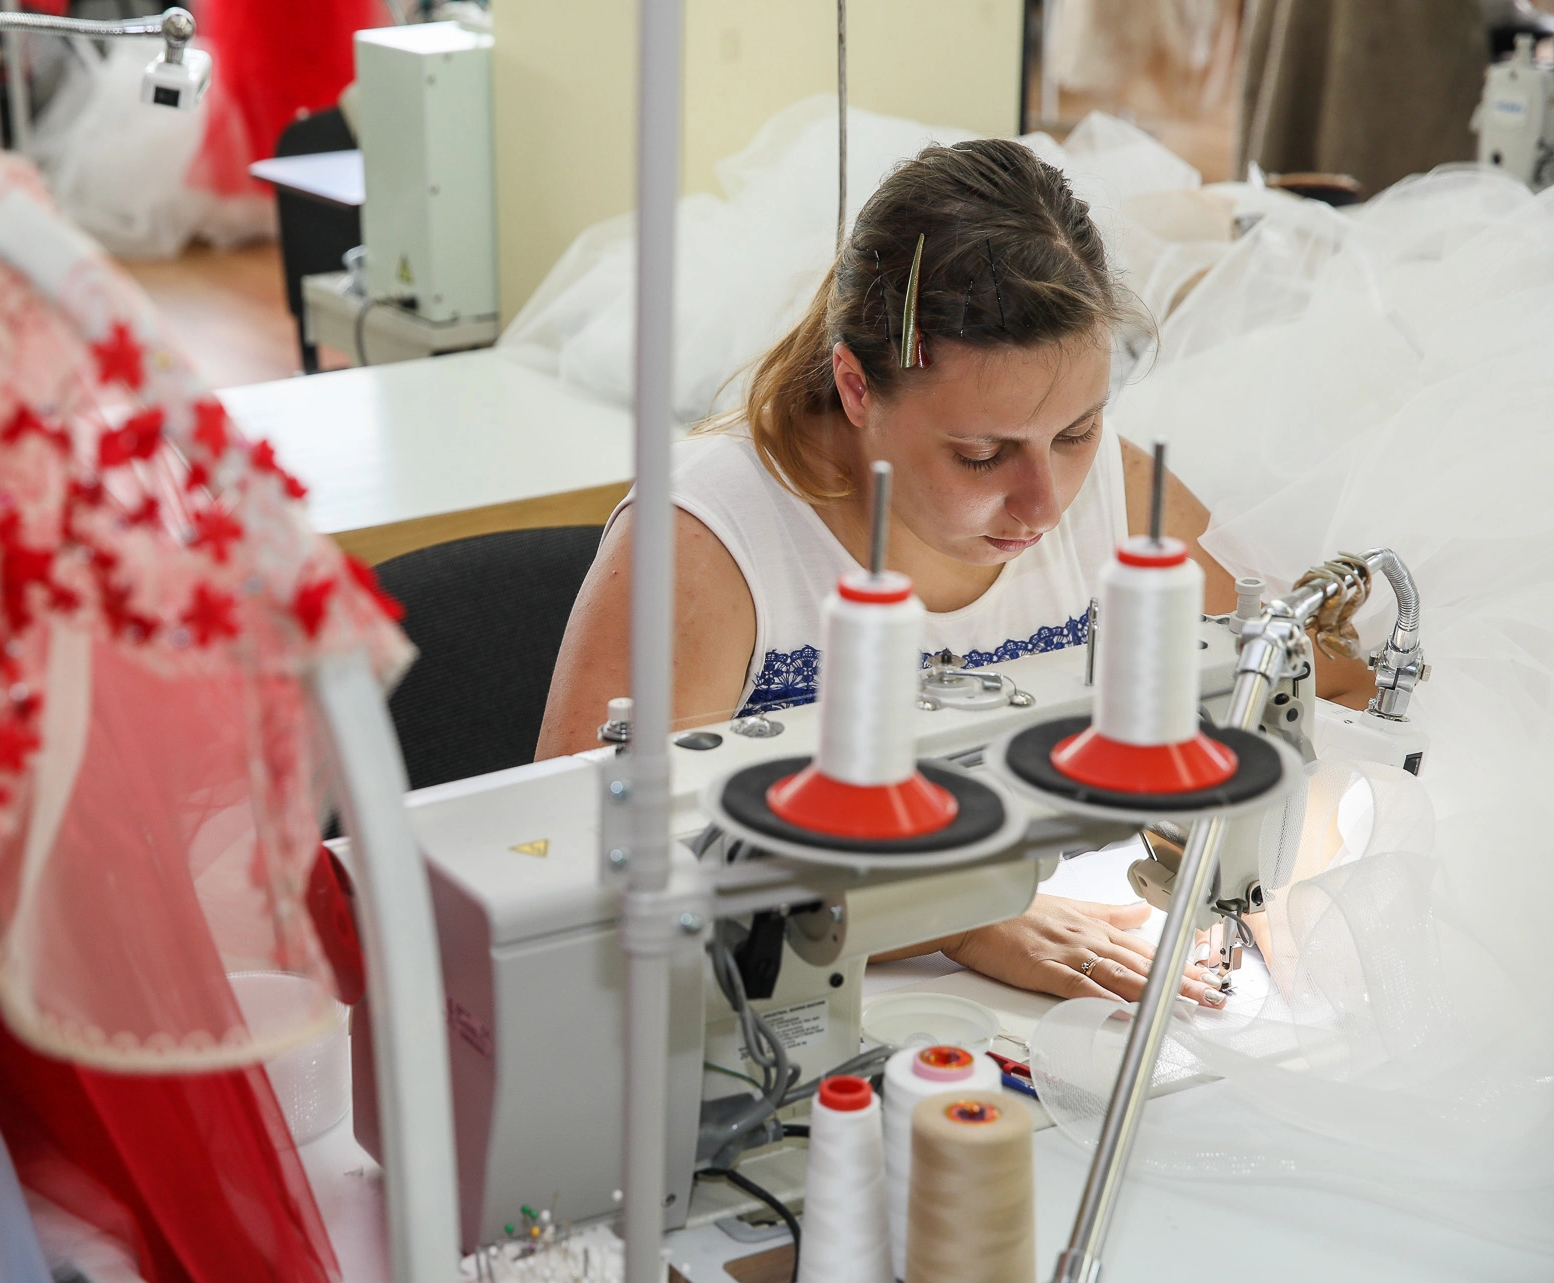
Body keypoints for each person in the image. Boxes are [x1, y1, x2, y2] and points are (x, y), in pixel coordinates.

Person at [537, 138, 1370, 1008]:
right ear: (856, 389)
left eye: (1078, 431)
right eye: (981, 454)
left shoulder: (1116, 494)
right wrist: (962, 919)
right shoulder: (708, 542)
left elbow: (1312, 686)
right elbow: (589, 868)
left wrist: (1280, 881)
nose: (1044, 505)